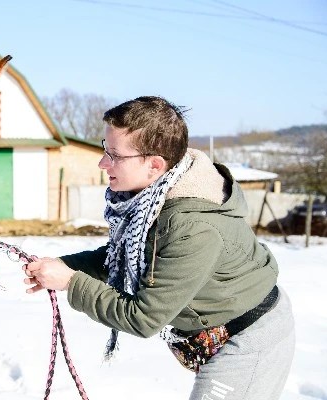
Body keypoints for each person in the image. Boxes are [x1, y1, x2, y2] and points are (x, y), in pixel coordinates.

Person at [23, 96, 295, 399]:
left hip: (249, 340)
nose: (102, 163)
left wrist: (71, 282)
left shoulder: (191, 228)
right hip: (213, 333)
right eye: (104, 149)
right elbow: (122, 258)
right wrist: (61, 265)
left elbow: (143, 317)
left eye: (114, 155)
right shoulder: (149, 201)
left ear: (154, 165)